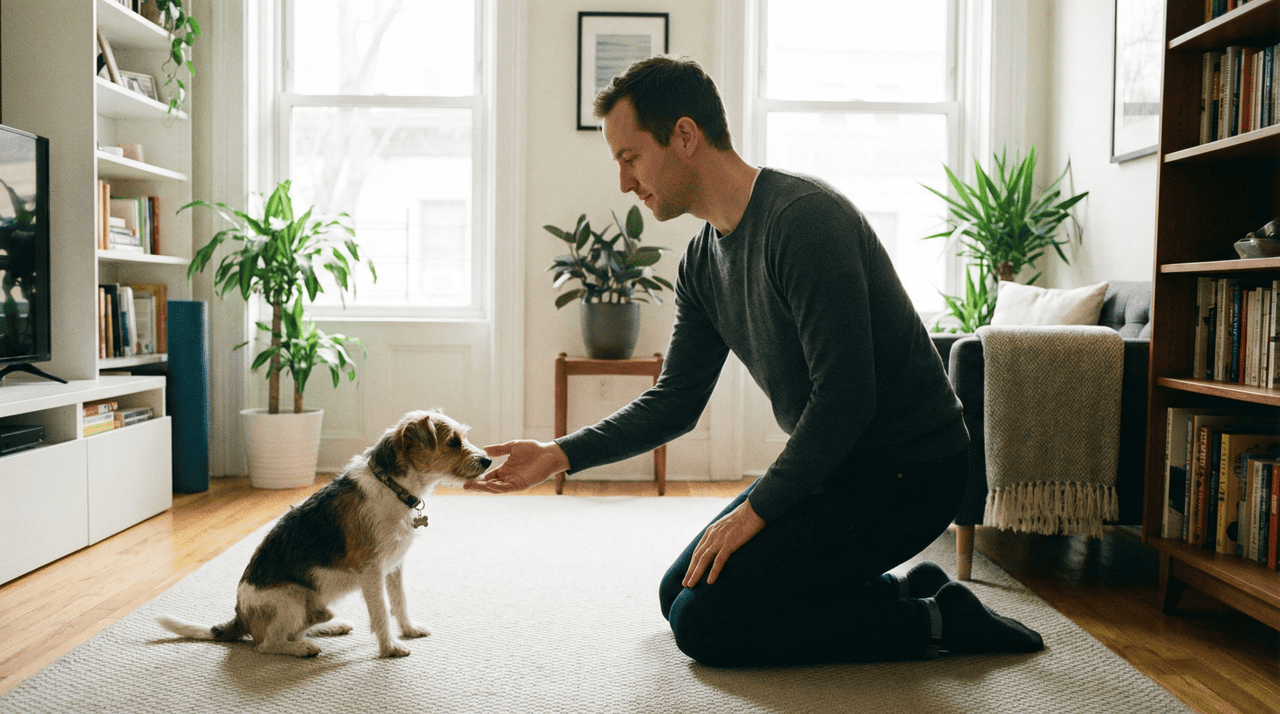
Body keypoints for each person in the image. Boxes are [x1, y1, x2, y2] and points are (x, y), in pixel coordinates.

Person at [466, 55, 1044, 666]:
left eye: (629, 157)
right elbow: (677, 400)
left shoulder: (804, 221)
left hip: (910, 473)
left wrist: (757, 509)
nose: (624, 182)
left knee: (706, 625)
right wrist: (559, 454)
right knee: (677, 593)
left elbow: (847, 399)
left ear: (684, 136)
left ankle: (935, 619)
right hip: (840, 467)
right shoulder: (700, 260)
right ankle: (905, 590)